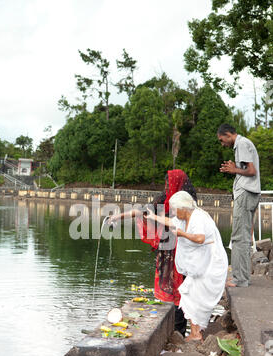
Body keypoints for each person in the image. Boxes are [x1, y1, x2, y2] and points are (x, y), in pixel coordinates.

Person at [108, 169, 197, 336]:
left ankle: (180, 331)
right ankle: (172, 332)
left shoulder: (187, 203)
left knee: (184, 290)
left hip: (185, 253)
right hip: (167, 253)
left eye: (169, 184)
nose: (167, 187)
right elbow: (142, 213)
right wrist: (117, 217)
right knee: (169, 290)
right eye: (166, 184)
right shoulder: (162, 200)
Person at [146, 191, 228, 342]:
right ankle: (196, 332)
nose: (174, 213)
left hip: (210, 264)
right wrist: (153, 217)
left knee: (195, 296)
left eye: (176, 210)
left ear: (184, 208)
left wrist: (182, 234)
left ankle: (196, 334)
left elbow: (199, 238)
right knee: (189, 295)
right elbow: (170, 222)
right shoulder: (185, 217)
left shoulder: (198, 217)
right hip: (200, 265)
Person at [218, 124, 261, 287]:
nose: (222, 144)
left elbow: (251, 171)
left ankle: (240, 279)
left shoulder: (241, 144)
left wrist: (234, 169)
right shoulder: (243, 144)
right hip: (248, 193)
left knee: (239, 237)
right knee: (241, 236)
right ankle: (240, 276)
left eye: (222, 140)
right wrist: (234, 168)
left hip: (246, 194)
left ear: (228, 134)